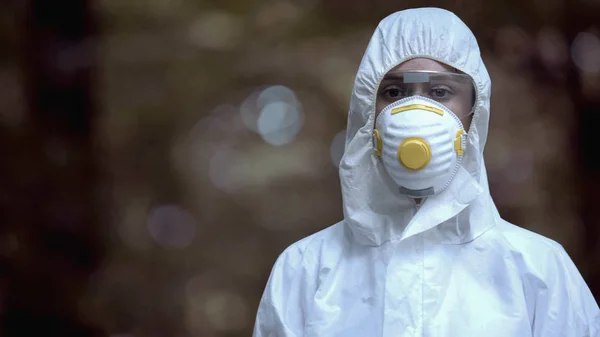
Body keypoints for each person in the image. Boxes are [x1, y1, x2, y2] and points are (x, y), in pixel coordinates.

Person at [253, 7, 600, 337]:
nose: (416, 111)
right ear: (367, 112)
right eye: (393, 92)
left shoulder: (540, 270)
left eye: (439, 92)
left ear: (473, 114)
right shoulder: (304, 271)